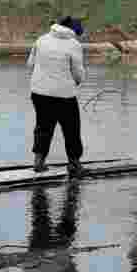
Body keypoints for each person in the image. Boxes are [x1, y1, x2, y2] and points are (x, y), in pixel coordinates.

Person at [27, 16, 87, 177]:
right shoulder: (74, 45)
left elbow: (30, 65)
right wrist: (77, 82)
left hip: (39, 93)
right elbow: (78, 73)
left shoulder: (41, 40)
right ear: (74, 30)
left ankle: (38, 162)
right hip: (64, 95)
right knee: (71, 129)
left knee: (43, 126)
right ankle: (74, 164)